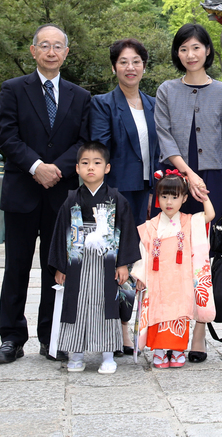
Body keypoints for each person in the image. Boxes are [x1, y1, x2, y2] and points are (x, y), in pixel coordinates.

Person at [0, 24, 91, 365]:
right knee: (16, 266)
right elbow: (7, 136)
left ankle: (53, 338)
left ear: (66, 53)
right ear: (33, 51)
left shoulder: (80, 96)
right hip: (22, 191)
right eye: (45, 45)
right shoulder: (13, 89)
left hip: (61, 196)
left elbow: (83, 141)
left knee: (56, 270)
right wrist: (36, 166)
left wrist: (57, 170)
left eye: (58, 46)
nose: (52, 51)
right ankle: (12, 338)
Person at [154, 23, 222, 363]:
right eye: (184, 49)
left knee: (203, 260)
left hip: (213, 181)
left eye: (196, 48)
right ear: (178, 53)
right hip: (175, 182)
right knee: (172, 261)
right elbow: (163, 135)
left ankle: (199, 334)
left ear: (207, 51)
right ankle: (171, 333)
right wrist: (187, 174)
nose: (190, 54)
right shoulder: (166, 90)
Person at [90, 38, 159, 355]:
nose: (130, 68)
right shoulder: (103, 103)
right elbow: (100, 149)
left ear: (144, 66)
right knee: (117, 262)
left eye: (136, 62)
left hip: (149, 193)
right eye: (123, 62)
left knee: (141, 264)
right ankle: (118, 331)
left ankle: (138, 328)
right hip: (117, 193)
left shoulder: (155, 104)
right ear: (114, 66)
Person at [48, 141, 141, 374]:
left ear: (107, 168)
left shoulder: (118, 200)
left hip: (106, 263)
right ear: (77, 168)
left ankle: (108, 356)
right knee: (75, 306)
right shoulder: (71, 200)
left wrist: (123, 264)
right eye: (85, 163)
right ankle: (75, 355)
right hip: (77, 263)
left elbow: (128, 232)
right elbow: (60, 233)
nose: (91, 168)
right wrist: (60, 266)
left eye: (97, 163)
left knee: (106, 306)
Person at [131, 172, 215, 368]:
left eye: (175, 197)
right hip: (157, 280)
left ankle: (177, 350)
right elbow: (143, 251)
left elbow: (210, 215)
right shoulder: (151, 225)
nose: (169, 202)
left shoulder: (188, 221)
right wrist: (140, 275)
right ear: (158, 198)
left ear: (184, 198)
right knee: (157, 313)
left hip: (180, 281)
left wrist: (204, 196)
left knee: (179, 313)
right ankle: (159, 351)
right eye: (164, 196)